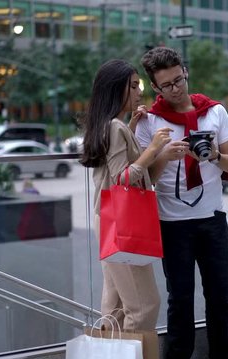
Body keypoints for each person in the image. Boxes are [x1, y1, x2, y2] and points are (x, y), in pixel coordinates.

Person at [137, 47, 228, 359]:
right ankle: (178, 355)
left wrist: (215, 155)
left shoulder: (215, 112)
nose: (176, 88)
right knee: (180, 298)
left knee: (220, 294)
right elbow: (145, 180)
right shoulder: (149, 123)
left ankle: (222, 353)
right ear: (155, 87)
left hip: (212, 217)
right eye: (167, 85)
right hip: (171, 223)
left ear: (185, 71)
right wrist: (164, 157)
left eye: (179, 79)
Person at [79, 59, 172, 331]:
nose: (138, 92)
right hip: (121, 222)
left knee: (115, 306)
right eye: (133, 86)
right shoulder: (114, 127)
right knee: (144, 307)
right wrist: (153, 149)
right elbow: (121, 179)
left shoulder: (109, 125)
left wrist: (133, 130)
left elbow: (116, 170)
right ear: (116, 89)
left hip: (108, 219)